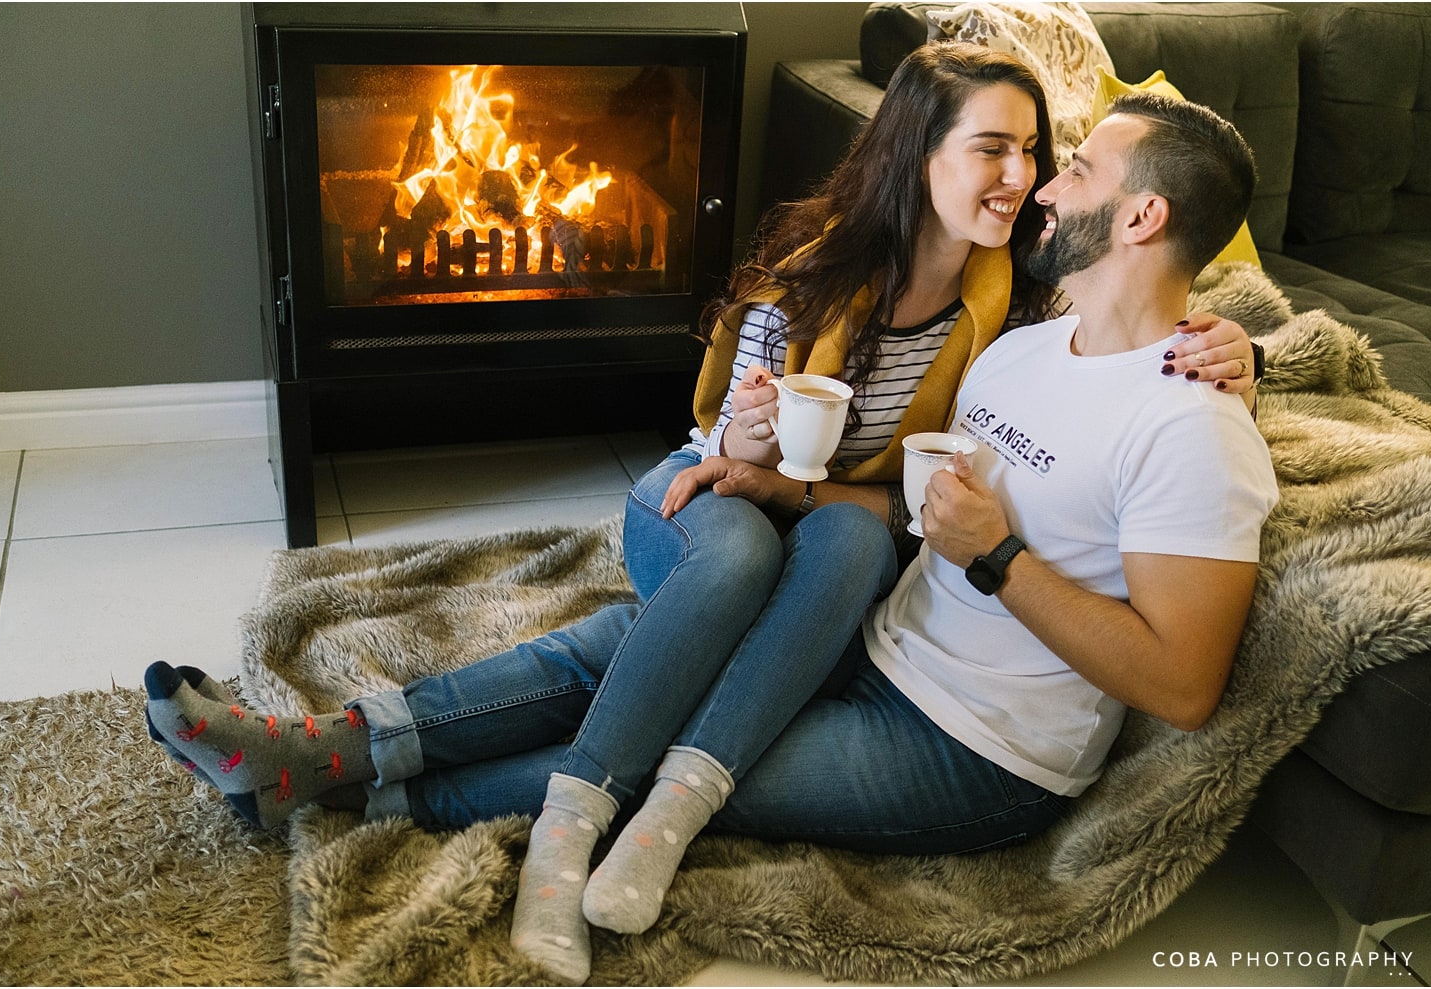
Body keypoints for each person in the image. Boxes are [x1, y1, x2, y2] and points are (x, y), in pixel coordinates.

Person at [144, 48, 1273, 985]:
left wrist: (1002, 551)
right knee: (671, 625)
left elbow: (1182, 684)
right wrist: (778, 468)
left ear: (1143, 213)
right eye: (1014, 151)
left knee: (665, 729)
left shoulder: (1187, 419)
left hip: (970, 746)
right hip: (854, 618)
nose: (1040, 182)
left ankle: (356, 784)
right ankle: (330, 745)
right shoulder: (1025, 344)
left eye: (1067, 164)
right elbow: (885, 486)